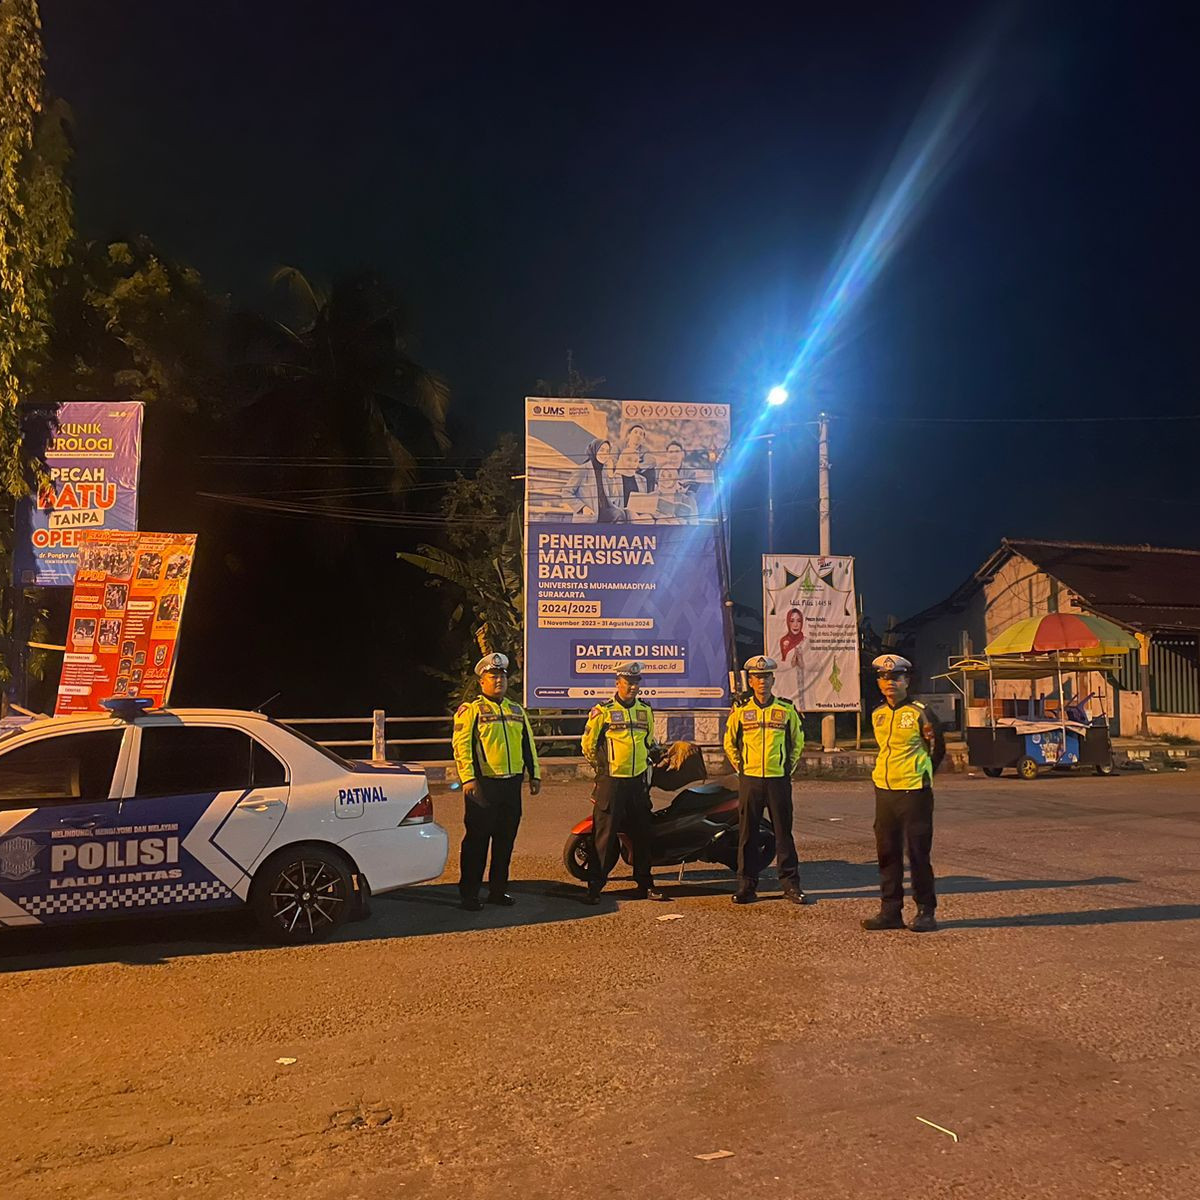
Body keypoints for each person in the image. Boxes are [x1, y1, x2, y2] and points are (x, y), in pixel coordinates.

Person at [451, 652, 542, 912]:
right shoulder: (471, 710)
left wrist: (534, 774)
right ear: (482, 681)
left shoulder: (516, 710)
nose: (499, 680)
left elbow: (528, 745)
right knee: (477, 842)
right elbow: (461, 747)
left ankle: (498, 891)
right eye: (493, 676)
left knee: (505, 841)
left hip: (511, 786)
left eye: (502, 676)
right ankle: (469, 894)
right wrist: (468, 779)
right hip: (483, 786)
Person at [863, 654, 946, 933]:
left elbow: (937, 748)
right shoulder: (878, 714)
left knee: (918, 853)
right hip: (885, 791)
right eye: (884, 678)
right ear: (879, 682)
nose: (890, 683)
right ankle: (890, 911)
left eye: (896, 677)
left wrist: (923, 774)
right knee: (887, 852)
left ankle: (925, 911)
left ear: (906, 681)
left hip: (914, 792)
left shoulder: (920, 712)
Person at [579, 660, 666, 903]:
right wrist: (602, 770)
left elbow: (648, 742)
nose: (633, 687)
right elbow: (587, 745)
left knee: (642, 835)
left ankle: (645, 884)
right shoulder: (603, 711)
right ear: (618, 683)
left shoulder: (645, 710)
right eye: (628, 682)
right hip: (612, 782)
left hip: (637, 782)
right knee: (604, 836)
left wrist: (657, 756)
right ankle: (595, 887)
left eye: (636, 682)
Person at [723, 655, 808, 904]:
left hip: (777, 779)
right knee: (747, 834)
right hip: (750, 780)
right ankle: (746, 886)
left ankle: (791, 885)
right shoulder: (741, 711)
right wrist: (743, 769)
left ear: (773, 680)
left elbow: (798, 743)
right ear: (750, 681)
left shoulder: (786, 709)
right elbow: (729, 743)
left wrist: (786, 769)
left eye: (766, 677)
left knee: (783, 833)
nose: (762, 682)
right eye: (757, 677)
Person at [567, 438, 626, 523]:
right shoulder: (583, 469)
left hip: (604, 513)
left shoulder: (605, 471)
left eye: (607, 451)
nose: (604, 454)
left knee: (619, 514)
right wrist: (582, 507)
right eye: (601, 450)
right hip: (589, 515)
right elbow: (567, 492)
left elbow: (613, 497)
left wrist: (610, 475)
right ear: (594, 450)